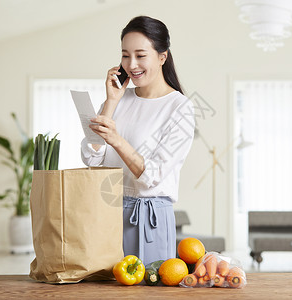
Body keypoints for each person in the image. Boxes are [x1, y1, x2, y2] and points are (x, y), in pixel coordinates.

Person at [81, 16, 195, 265]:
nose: (132, 65)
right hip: (107, 212)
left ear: (162, 56)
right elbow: (92, 158)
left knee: (146, 289)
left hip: (148, 218)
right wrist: (111, 101)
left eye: (140, 55)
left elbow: (152, 176)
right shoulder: (118, 99)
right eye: (125, 55)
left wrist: (117, 140)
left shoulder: (180, 109)